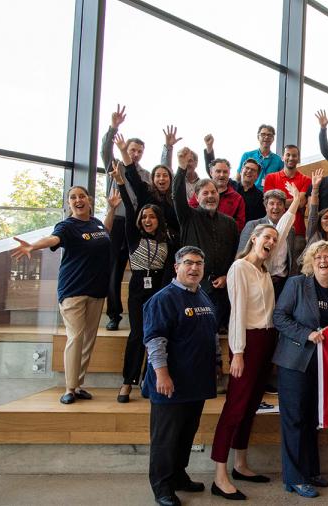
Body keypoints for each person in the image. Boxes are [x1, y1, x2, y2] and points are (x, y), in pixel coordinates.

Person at [11, 186, 120, 404]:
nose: (78, 200)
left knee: (88, 340)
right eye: (73, 198)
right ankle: (70, 388)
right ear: (69, 203)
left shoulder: (95, 223)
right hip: (73, 291)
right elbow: (52, 239)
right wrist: (33, 246)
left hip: (97, 291)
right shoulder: (67, 226)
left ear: (89, 200)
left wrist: (111, 210)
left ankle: (78, 385)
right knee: (76, 337)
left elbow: (105, 232)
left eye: (81, 196)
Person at [273, 241, 328, 498]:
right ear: (310, 261)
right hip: (295, 363)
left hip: (322, 365)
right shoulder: (297, 284)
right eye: (318, 256)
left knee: (311, 420)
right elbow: (280, 317)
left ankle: (310, 471)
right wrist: (307, 334)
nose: (323, 260)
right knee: (294, 419)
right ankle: (294, 478)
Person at [142, 246, 219, 506]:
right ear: (177, 267)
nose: (194, 268)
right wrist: (162, 375)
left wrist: (217, 366)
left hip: (196, 383)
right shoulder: (163, 299)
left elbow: (211, 337)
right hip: (170, 385)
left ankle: (178, 475)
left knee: (186, 433)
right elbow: (155, 341)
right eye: (188, 263)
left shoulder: (204, 298)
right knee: (166, 438)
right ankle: (162, 486)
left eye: (198, 263)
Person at [210, 225, 281, 500]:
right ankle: (220, 475)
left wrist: (297, 203)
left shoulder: (264, 269)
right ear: (253, 239)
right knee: (235, 407)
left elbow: (282, 231)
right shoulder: (240, 267)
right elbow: (237, 312)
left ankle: (240, 464)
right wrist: (237, 352)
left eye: (274, 240)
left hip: (267, 340)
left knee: (251, 406)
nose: (272, 242)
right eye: (267, 237)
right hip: (247, 343)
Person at [109, 157, 175, 404]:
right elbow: (128, 203)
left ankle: (151, 379)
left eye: (152, 217)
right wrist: (120, 181)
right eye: (144, 217)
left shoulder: (167, 241)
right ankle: (127, 382)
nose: (148, 220)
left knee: (158, 335)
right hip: (138, 288)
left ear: (159, 220)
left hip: (160, 289)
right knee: (137, 334)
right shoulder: (133, 236)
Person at [100, 104, 151, 331]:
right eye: (132, 150)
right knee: (113, 269)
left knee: (141, 270)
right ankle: (114, 314)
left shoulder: (144, 174)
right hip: (116, 223)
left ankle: (141, 311)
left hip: (137, 226)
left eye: (139, 151)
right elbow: (104, 151)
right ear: (125, 149)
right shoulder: (114, 166)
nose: (136, 154)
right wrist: (113, 128)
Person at [173, 164, 239, 335]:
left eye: (213, 192)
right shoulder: (188, 217)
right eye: (205, 193)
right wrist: (181, 168)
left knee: (214, 335)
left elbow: (235, 254)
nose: (210, 196)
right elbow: (177, 195)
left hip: (221, 291)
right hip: (193, 287)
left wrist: (227, 276)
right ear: (196, 196)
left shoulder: (230, 223)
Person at [238, 187, 302, 298]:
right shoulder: (253, 225)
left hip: (282, 284)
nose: (275, 207)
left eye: (279, 204)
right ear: (265, 206)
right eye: (271, 203)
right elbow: (242, 254)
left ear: (284, 208)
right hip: (257, 282)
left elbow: (290, 259)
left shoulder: (290, 231)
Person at [262, 144, 311, 274]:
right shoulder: (271, 178)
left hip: (297, 233)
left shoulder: (306, 180)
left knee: (294, 272)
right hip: (272, 231)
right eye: (288, 155)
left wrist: (280, 201)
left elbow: (300, 203)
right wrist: (294, 200)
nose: (291, 158)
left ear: (298, 158)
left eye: (294, 155)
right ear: (283, 157)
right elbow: (268, 202)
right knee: (268, 269)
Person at [204, 124, 284, 188]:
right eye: (263, 134)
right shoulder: (247, 155)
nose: (266, 137)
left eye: (269, 135)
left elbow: (280, 182)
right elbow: (238, 178)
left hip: (268, 198)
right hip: (248, 193)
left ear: (273, 139)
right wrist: (209, 148)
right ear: (258, 137)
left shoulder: (278, 160)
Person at [188, 159, 246, 232]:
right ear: (211, 173)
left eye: (225, 172)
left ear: (229, 174)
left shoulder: (237, 198)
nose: (221, 175)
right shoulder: (200, 193)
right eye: (218, 171)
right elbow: (189, 213)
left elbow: (240, 224)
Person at [235, 158, 266, 223]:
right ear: (241, 171)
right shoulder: (231, 186)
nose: (249, 171)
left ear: (257, 176)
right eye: (247, 168)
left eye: (253, 170)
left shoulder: (261, 197)